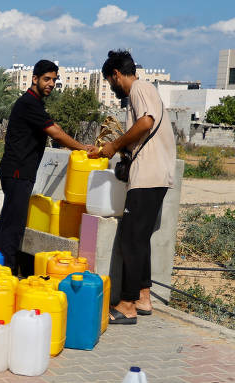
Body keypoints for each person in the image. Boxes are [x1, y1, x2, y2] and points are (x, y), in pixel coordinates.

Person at [88, 50, 175, 325]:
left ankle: (126, 305)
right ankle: (143, 297)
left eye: (109, 81)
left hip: (148, 177)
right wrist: (112, 148)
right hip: (153, 175)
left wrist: (114, 145)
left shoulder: (139, 88)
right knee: (140, 238)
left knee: (130, 239)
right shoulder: (145, 90)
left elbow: (146, 122)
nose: (111, 87)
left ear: (116, 74)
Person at [0, 59, 96, 272]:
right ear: (35, 79)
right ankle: (7, 272)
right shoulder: (29, 103)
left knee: (8, 221)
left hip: (17, 171)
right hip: (18, 172)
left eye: (54, 80)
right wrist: (81, 149)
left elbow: (52, 125)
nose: (51, 84)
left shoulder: (35, 103)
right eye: (46, 79)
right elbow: (54, 132)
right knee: (13, 226)